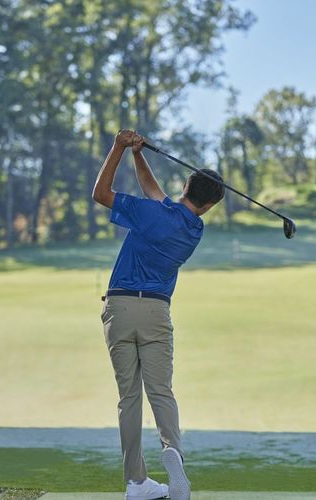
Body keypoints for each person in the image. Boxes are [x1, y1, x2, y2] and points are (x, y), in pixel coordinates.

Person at [92, 129, 224, 500]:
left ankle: (136, 482)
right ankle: (173, 452)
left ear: (185, 185)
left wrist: (119, 146)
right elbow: (155, 193)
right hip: (155, 312)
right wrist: (138, 154)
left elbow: (100, 194)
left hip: (118, 307)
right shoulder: (192, 228)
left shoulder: (150, 213)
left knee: (128, 397)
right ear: (210, 205)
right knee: (161, 391)